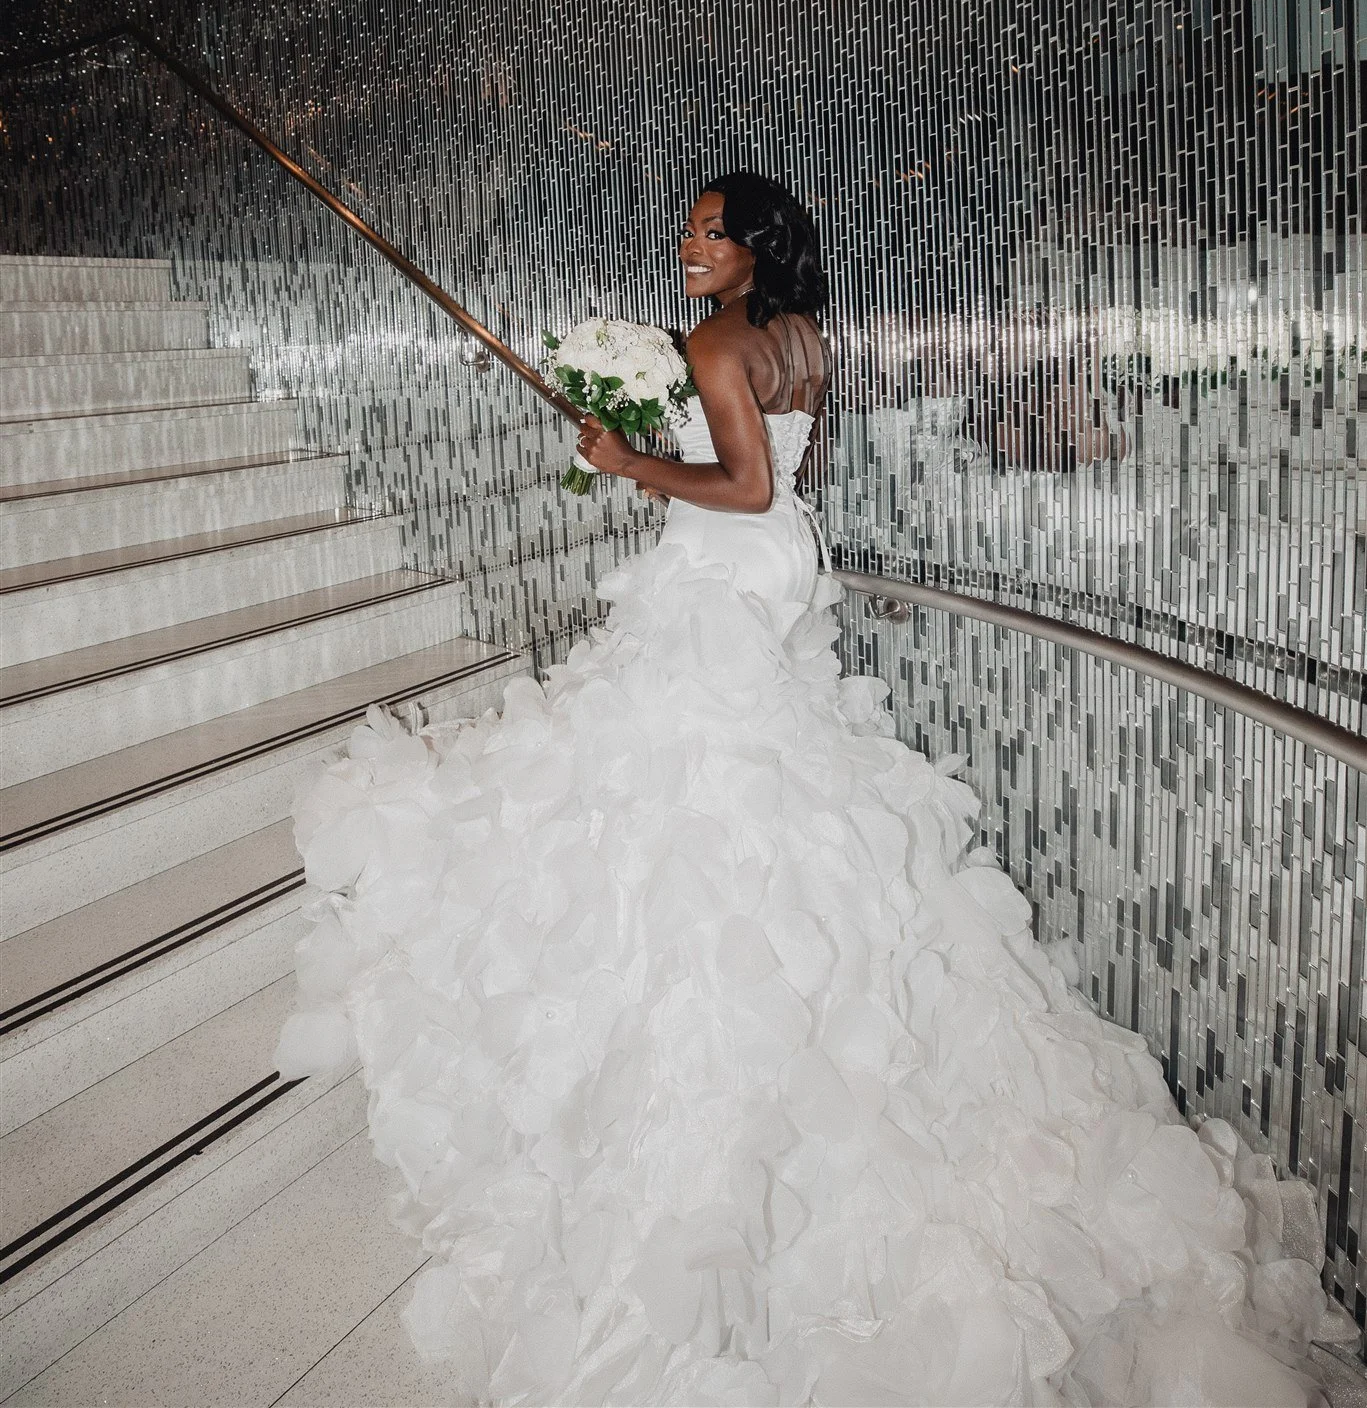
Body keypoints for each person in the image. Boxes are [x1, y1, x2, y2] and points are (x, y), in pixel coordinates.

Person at [278, 171, 1350, 1406]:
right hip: (778, 572)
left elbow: (742, 484)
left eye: (711, 231)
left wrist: (632, 459)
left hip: (718, 573)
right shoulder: (802, 337)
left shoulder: (715, 342)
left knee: (691, 789)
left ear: (755, 247)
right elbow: (790, 469)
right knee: (777, 775)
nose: (689, 244)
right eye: (688, 229)